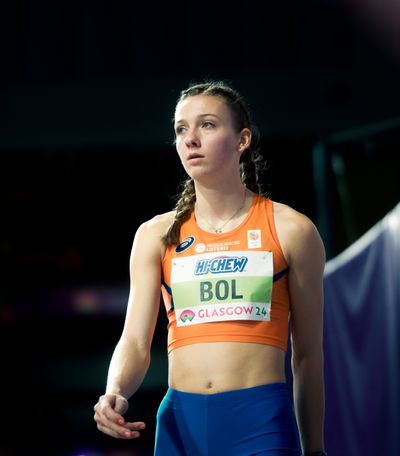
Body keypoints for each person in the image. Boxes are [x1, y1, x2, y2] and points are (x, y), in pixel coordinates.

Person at [94, 80, 327, 456]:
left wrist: (314, 448)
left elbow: (308, 354)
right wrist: (115, 390)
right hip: (179, 426)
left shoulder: (291, 230)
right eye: (181, 129)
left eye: (207, 125)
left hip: (260, 422)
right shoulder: (155, 235)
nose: (190, 139)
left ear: (242, 140)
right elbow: (135, 341)